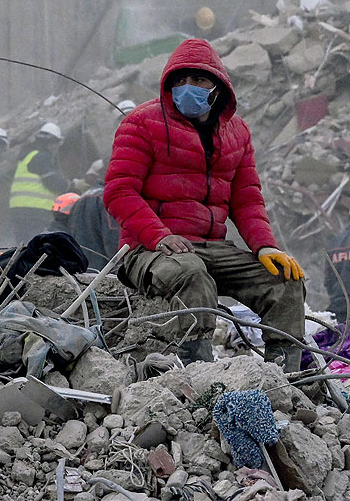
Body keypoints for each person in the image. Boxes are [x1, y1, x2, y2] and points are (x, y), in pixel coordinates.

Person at [104, 39, 305, 369]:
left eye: (198, 80)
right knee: (191, 273)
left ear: (217, 85)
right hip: (147, 250)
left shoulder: (237, 133)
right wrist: (159, 235)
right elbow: (119, 191)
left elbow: (247, 199)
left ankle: (283, 377)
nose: (188, 88)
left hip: (211, 247)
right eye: (180, 81)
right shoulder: (141, 123)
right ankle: (197, 371)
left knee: (285, 279)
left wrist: (266, 246)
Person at [9, 122, 69, 244]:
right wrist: (72, 185)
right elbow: (53, 183)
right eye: (55, 143)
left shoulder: (28, 156)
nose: (56, 147)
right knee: (35, 247)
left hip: (19, 210)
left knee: (21, 247)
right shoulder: (42, 157)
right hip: (36, 212)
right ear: (50, 141)